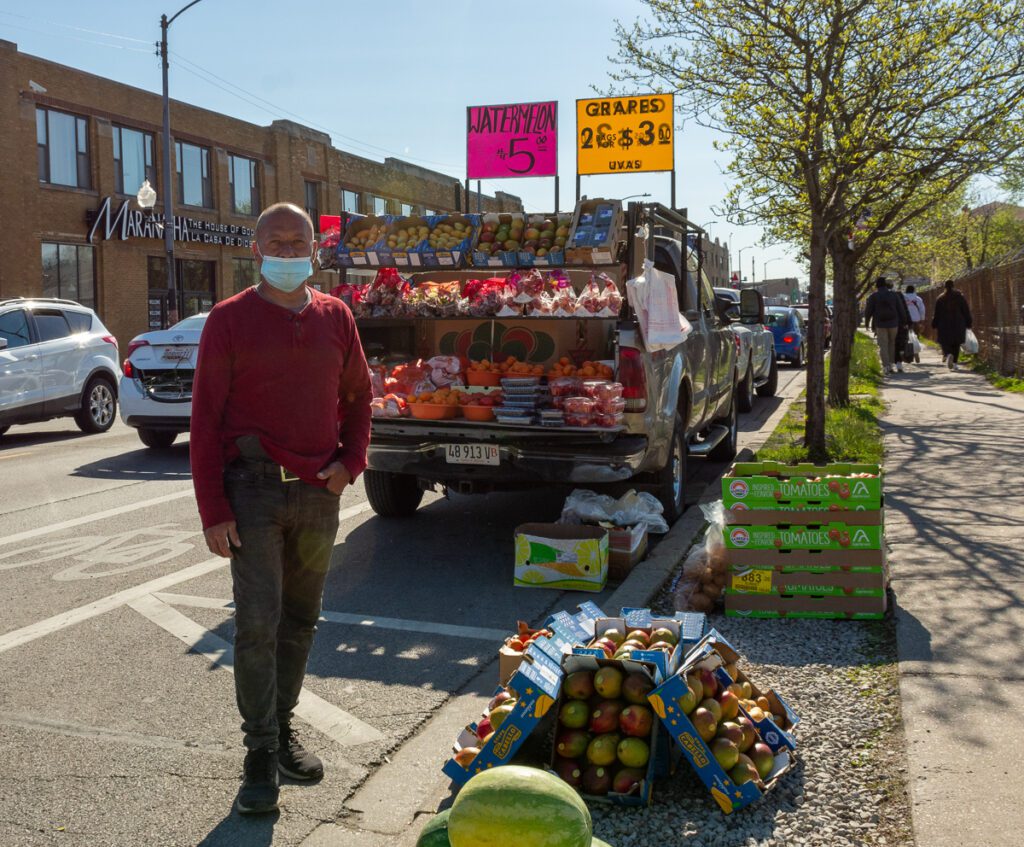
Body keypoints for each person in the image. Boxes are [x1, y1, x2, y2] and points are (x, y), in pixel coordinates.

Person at [190, 202, 372, 815]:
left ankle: (284, 726)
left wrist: (351, 463)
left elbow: (359, 399)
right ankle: (260, 752)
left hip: (319, 494)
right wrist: (214, 508)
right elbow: (205, 419)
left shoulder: (336, 317)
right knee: (256, 624)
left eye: (299, 242)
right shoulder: (229, 320)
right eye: (277, 241)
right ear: (256, 248)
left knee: (301, 619)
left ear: (315, 250)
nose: (289, 251)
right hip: (254, 491)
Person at [863, 277, 908, 375]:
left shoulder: (873, 296)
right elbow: (901, 309)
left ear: (877, 285)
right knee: (892, 343)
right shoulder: (894, 295)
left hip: (880, 324)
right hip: (893, 323)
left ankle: (886, 366)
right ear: (885, 284)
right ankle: (891, 364)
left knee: (883, 345)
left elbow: (868, 311)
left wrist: (867, 322)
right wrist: (904, 322)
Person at [931, 279, 973, 370]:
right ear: (953, 286)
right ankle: (954, 363)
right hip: (958, 323)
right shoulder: (959, 297)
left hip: (944, 324)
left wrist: (934, 323)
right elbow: (966, 311)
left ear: (944, 287)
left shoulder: (940, 298)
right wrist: (969, 322)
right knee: (956, 343)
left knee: (945, 342)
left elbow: (936, 313)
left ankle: (948, 354)